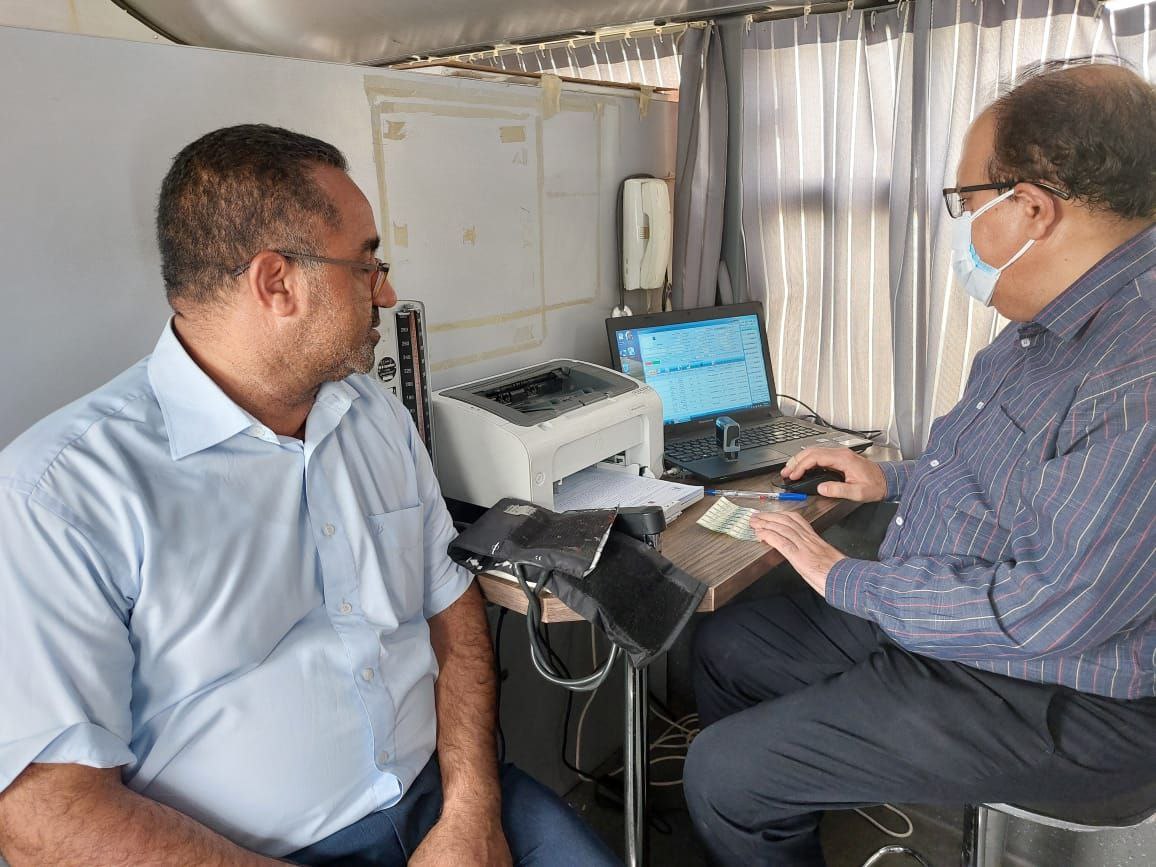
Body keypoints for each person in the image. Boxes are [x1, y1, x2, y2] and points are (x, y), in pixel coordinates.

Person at [0, 125, 619, 866]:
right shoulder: (59, 494)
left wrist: (471, 811)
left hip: (442, 800)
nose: (386, 292)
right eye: (366, 265)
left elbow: (453, 614)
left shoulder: (376, 416)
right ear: (276, 282)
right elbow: (42, 816)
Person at [683, 60, 1156, 866]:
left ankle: (750, 796)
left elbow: (1050, 610)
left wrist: (843, 576)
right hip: (958, 618)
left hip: (1059, 687)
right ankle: (775, 817)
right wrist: (889, 479)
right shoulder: (1048, 322)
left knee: (725, 774)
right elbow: (1010, 478)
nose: (962, 228)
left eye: (967, 203)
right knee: (726, 645)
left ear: (1032, 208)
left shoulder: (1136, 365)